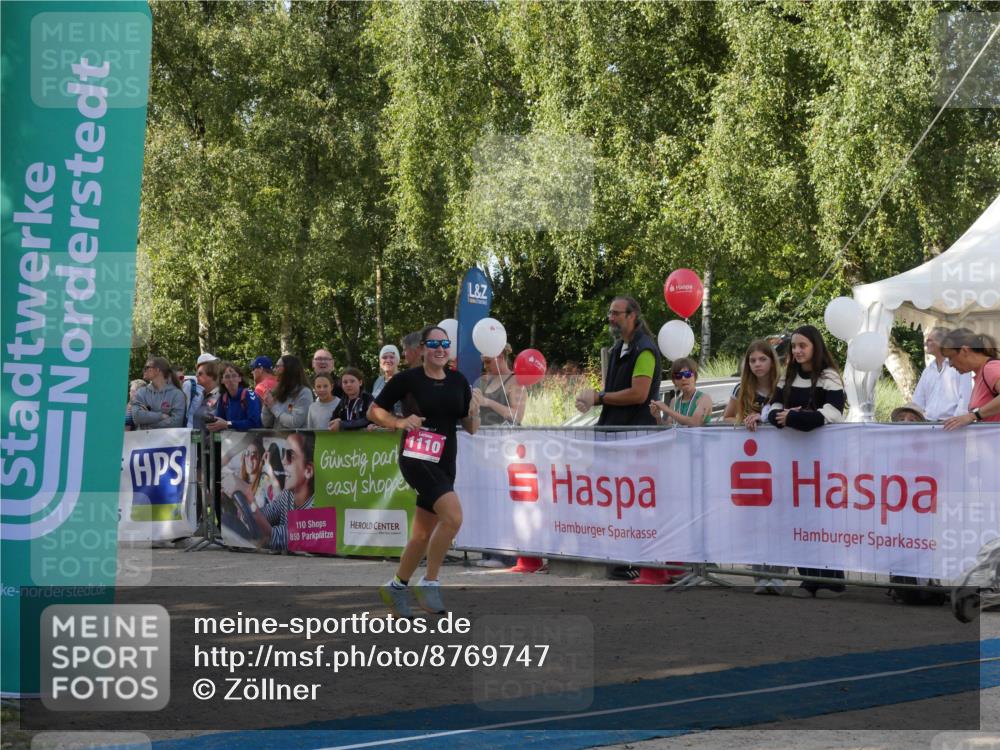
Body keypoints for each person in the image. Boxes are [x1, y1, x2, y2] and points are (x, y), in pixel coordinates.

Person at [368, 325, 483, 617]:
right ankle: (430, 581)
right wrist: (398, 422)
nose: (440, 348)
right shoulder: (407, 379)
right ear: (422, 349)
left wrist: (475, 410)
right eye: (434, 344)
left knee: (421, 535)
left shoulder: (458, 380)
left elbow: (470, 428)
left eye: (445, 343)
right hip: (417, 458)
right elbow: (373, 411)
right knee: (454, 517)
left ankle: (395, 587)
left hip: (446, 460)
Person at [767, 324, 847, 599]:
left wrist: (795, 418)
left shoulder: (829, 376)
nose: (798, 351)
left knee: (823, 518)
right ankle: (810, 577)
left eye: (803, 346)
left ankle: (831, 579)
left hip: (823, 458)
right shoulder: (787, 377)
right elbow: (773, 410)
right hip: (792, 459)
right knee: (797, 517)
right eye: (794, 346)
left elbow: (832, 413)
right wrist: (788, 417)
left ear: (815, 347)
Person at [575, 295, 662, 426]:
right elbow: (615, 392)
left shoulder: (644, 350)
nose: (610, 318)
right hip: (615, 432)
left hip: (635, 435)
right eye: (609, 313)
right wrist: (592, 400)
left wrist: (599, 397)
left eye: (616, 313)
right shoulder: (618, 348)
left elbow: (638, 394)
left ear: (631, 316)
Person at [250, 431, 315, 551]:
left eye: (291, 455)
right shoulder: (287, 494)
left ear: (308, 471)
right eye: (283, 454)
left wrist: (247, 497)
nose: (284, 461)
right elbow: (268, 513)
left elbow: (276, 537)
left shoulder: (317, 505)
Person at [941, 329, 1000, 429]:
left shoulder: (990, 368)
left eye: (950, 357)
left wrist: (973, 416)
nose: (950, 364)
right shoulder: (981, 374)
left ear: (964, 350)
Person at [911, 327, 973, 420]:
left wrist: (956, 421)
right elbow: (918, 400)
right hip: (928, 425)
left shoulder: (960, 367)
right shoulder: (928, 371)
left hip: (952, 425)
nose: (925, 343)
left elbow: (965, 398)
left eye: (929, 340)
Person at [723, 340, 779, 431]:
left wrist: (762, 418)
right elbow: (727, 418)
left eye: (763, 359)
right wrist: (745, 421)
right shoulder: (740, 388)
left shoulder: (784, 386)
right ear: (748, 364)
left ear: (772, 362)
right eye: (753, 361)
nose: (757, 364)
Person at [650, 357, 713, 426]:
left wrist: (667, 409)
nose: (683, 378)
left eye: (687, 374)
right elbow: (667, 428)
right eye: (678, 376)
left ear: (695, 377)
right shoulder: (674, 401)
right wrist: (658, 417)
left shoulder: (704, 398)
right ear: (674, 381)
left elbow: (695, 423)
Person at [476, 345, 525, 426]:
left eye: (488, 361)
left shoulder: (515, 381)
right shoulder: (484, 380)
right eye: (483, 362)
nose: (485, 366)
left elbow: (517, 416)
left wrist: (488, 402)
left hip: (506, 437)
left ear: (501, 358)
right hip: (483, 436)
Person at [131, 357, 186, 429]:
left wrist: (146, 423)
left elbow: (176, 423)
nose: (144, 370)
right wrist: (161, 416)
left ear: (157, 370)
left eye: (146, 367)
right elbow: (137, 417)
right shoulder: (141, 392)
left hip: (168, 440)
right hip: (144, 439)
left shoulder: (177, 394)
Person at [208, 362, 262, 432]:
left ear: (240, 378)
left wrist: (228, 424)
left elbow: (255, 422)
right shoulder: (224, 398)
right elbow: (220, 422)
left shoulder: (249, 394)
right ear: (222, 380)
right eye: (227, 377)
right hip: (232, 440)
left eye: (234, 376)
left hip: (252, 441)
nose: (231, 380)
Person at [262, 355, 312, 429]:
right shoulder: (277, 392)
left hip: (296, 439)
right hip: (276, 439)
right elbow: (266, 423)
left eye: (277, 366)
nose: (274, 370)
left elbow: (295, 422)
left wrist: (273, 407)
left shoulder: (304, 393)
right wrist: (267, 406)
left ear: (288, 369)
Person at [330, 367, 375, 431]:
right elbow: (333, 420)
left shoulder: (367, 398)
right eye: (345, 382)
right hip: (347, 440)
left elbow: (368, 419)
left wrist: (343, 424)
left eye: (352, 381)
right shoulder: (343, 401)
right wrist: (336, 421)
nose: (348, 384)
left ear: (360, 382)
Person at [192, 358, 221, 431]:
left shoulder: (219, 395)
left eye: (200, 373)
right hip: (199, 440)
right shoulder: (204, 395)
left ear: (211, 375)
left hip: (211, 441)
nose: (196, 376)